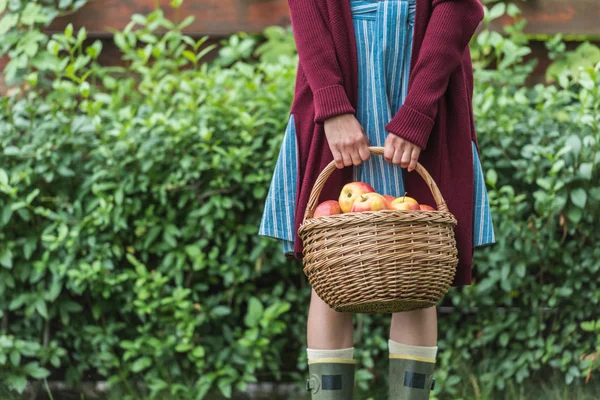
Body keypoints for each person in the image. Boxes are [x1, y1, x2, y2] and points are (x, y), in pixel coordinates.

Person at [259, 0, 495, 398]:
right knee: (331, 265)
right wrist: (332, 107)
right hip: (340, 72)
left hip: (422, 77)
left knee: (417, 263)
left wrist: (418, 111)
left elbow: (459, 6)